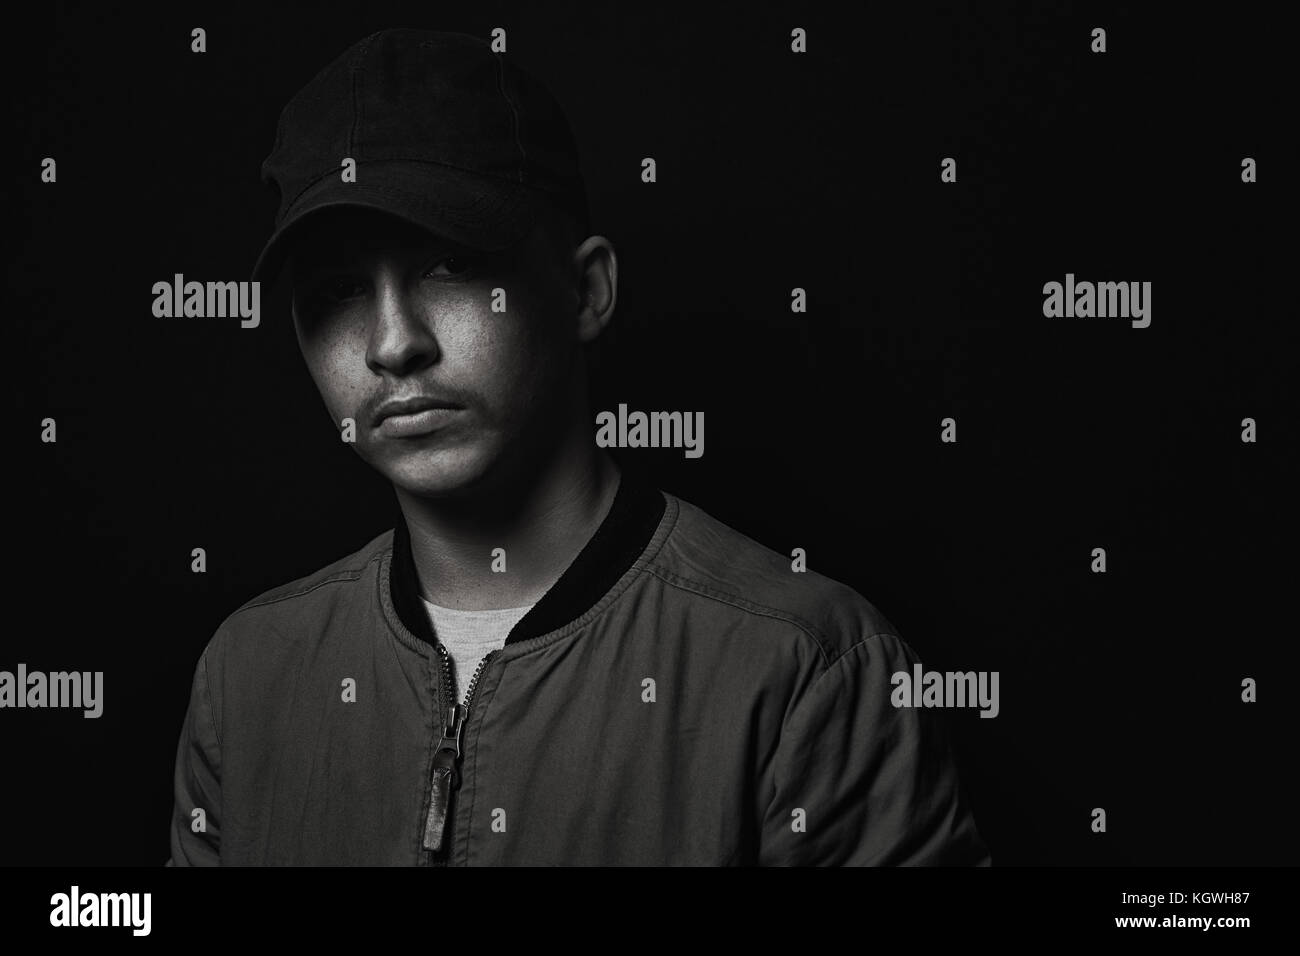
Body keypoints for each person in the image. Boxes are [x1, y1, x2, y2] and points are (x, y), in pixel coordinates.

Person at [166, 27, 990, 866]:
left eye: (452, 269)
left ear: (586, 290)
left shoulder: (807, 670)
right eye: (337, 291)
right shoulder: (247, 676)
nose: (393, 342)